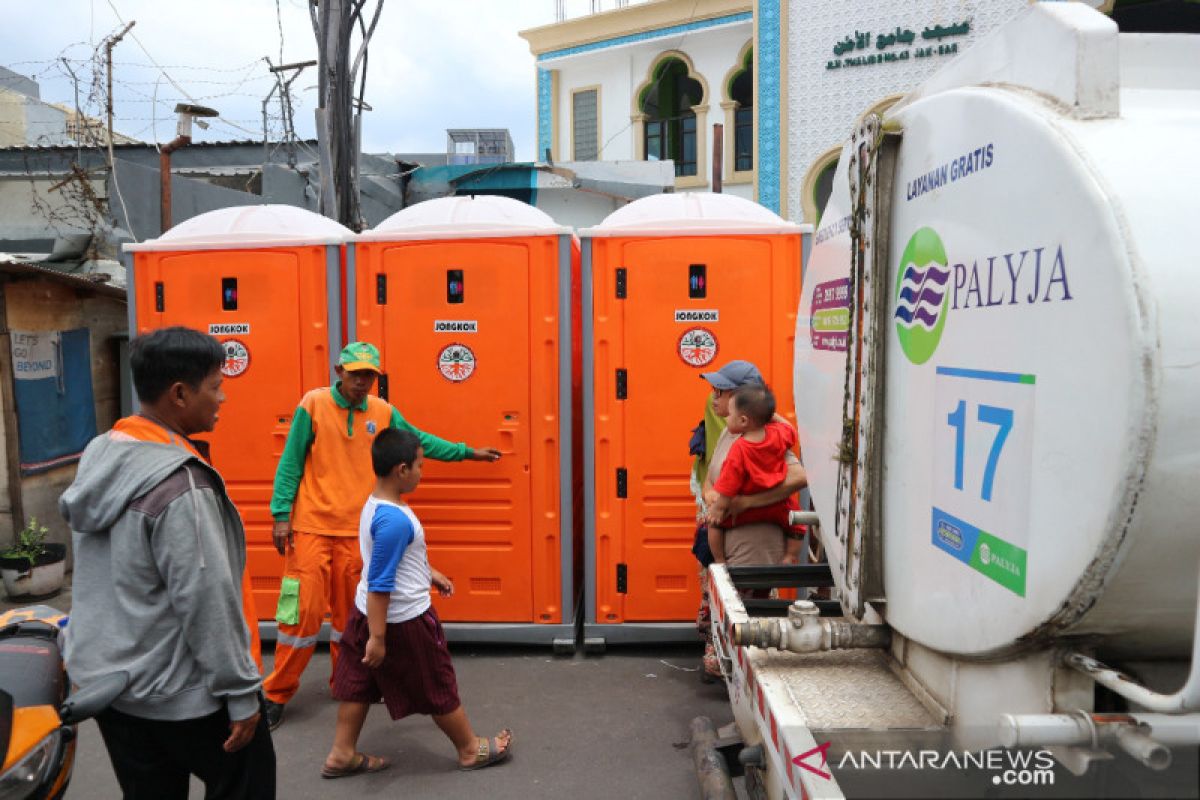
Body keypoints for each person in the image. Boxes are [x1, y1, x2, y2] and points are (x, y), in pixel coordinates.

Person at [60, 326, 275, 799]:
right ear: (179, 393)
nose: (223, 398)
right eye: (216, 386)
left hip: (113, 688)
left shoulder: (105, 451)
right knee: (248, 781)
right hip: (185, 695)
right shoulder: (181, 485)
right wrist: (240, 695)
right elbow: (207, 599)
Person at [263, 341, 502, 730]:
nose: (362, 382)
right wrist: (280, 515)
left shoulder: (382, 411)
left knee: (348, 620)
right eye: (355, 373)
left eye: (369, 375)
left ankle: (347, 686)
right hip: (311, 525)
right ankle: (276, 692)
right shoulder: (314, 404)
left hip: (353, 533)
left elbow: (418, 442)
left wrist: (467, 452)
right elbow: (290, 461)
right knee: (301, 614)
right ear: (339, 370)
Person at [321, 428, 513, 778]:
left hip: (365, 613)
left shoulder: (377, 503)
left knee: (359, 681)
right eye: (420, 466)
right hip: (402, 621)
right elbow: (381, 582)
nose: (423, 472)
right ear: (401, 470)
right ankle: (469, 749)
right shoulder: (394, 520)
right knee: (436, 682)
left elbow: (393, 560)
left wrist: (428, 572)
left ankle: (341, 753)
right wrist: (378, 639)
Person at [696, 360, 807, 679]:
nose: (714, 398)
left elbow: (798, 476)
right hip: (730, 535)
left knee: (744, 608)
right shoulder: (734, 428)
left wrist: (744, 503)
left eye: (720, 391)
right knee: (728, 604)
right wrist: (708, 491)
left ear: (742, 398)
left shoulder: (769, 430)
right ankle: (728, 667)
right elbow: (715, 471)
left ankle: (743, 676)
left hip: (753, 540)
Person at [704, 383, 802, 551]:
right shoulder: (778, 435)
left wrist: (719, 508)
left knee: (714, 524)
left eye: (730, 414)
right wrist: (766, 413)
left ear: (743, 420)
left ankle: (719, 561)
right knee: (798, 522)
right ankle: (791, 555)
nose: (726, 418)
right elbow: (790, 429)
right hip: (777, 504)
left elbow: (728, 485)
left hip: (745, 508)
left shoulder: (739, 449)